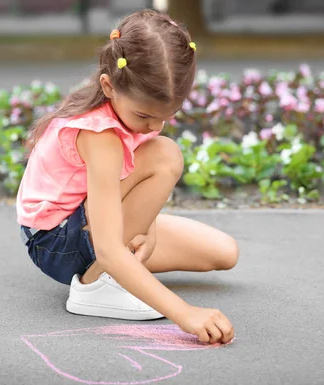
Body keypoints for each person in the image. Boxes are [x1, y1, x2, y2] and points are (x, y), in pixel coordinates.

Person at [16, 9, 239, 344]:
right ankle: (94, 286)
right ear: (108, 86)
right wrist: (185, 314)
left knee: (224, 252)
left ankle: (119, 271)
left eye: (168, 115)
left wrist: (146, 229)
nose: (154, 126)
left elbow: (129, 173)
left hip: (90, 219)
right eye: (145, 115)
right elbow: (107, 247)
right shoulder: (99, 136)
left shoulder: (128, 106)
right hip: (55, 242)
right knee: (165, 154)